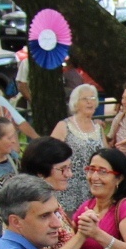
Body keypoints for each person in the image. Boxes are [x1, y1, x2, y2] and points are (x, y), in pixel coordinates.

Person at [50, 83, 106, 212]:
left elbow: (106, 156)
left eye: (92, 98)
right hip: (68, 189)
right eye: (85, 99)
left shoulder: (98, 128)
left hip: (93, 188)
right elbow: (48, 155)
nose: (89, 102)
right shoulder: (64, 125)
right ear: (75, 103)